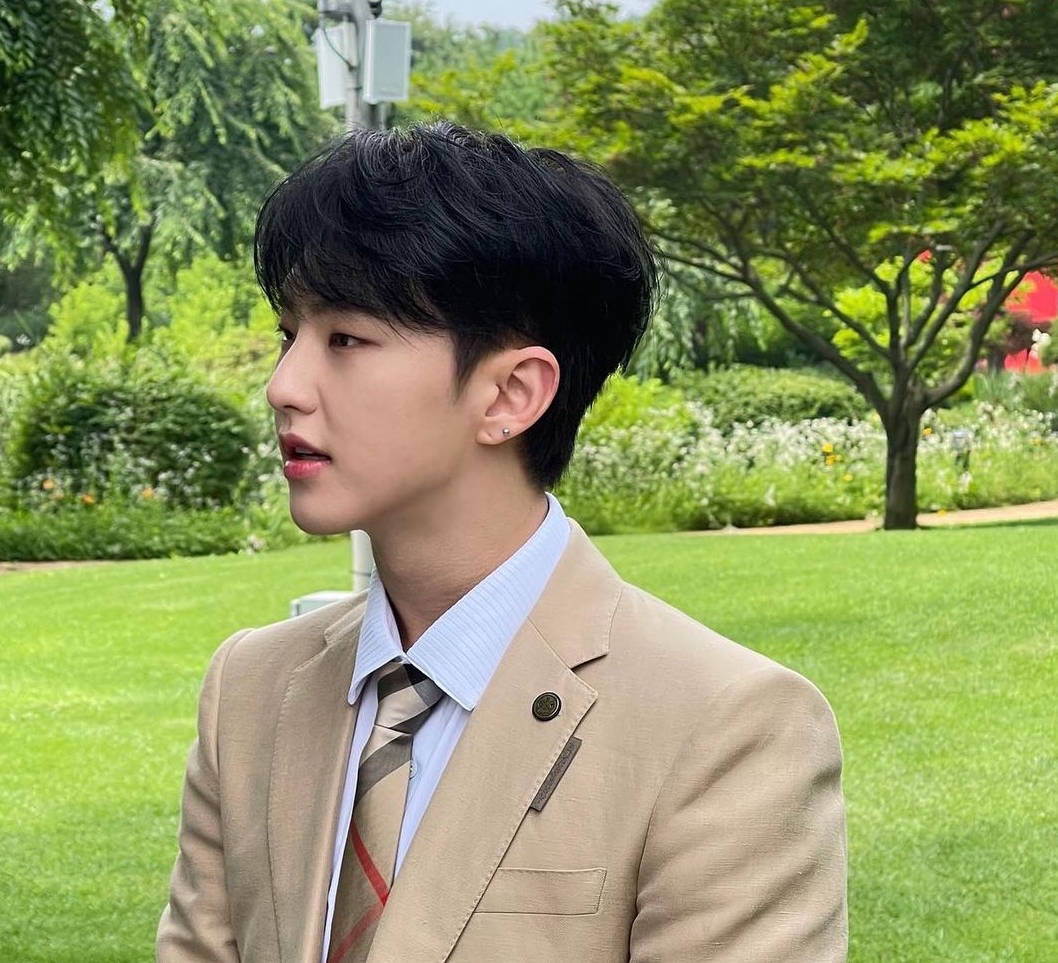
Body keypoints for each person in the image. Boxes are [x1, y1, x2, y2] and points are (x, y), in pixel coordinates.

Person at [156, 122, 847, 963]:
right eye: (287, 334)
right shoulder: (252, 689)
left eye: (346, 339)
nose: (283, 385)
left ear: (512, 393)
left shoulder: (725, 726)